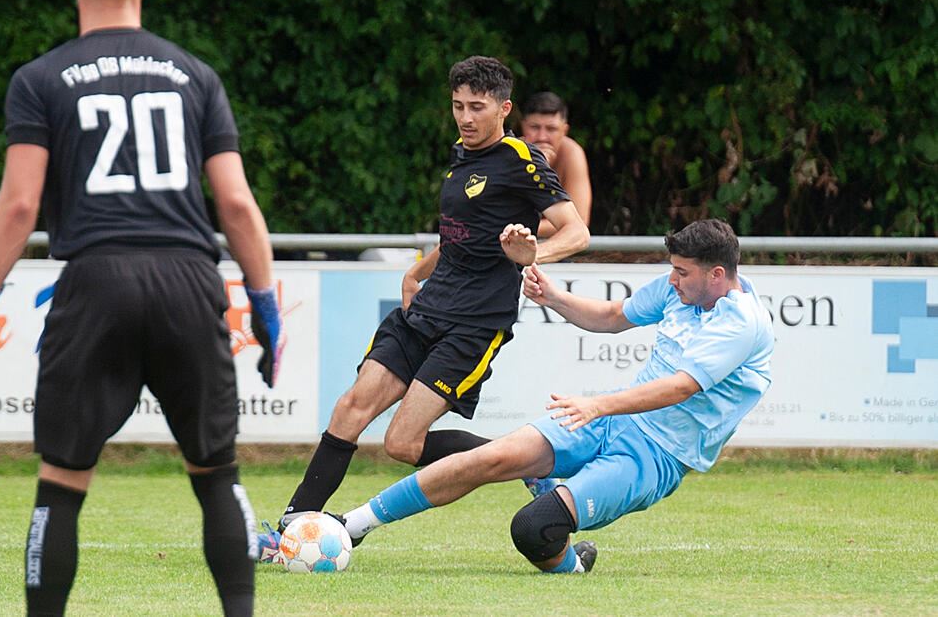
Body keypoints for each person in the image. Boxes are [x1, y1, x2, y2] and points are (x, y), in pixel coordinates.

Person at [0, 0, 278, 615]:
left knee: (61, 480)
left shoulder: (42, 77)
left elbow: (19, 205)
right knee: (216, 472)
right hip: (186, 278)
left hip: (93, 280)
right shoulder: (194, 75)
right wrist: (266, 305)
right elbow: (235, 204)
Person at [259, 56, 589, 558]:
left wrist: (532, 255)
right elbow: (461, 235)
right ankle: (289, 530)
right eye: (457, 106)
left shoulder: (521, 160)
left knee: (402, 445)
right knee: (350, 408)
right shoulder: (462, 155)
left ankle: (525, 462)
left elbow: (576, 231)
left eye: (476, 107)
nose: (465, 117)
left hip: (474, 324)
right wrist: (418, 271)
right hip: (426, 309)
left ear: (504, 108)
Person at [340, 219, 774, 575]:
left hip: (657, 455)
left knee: (532, 528)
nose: (672, 279)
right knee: (489, 458)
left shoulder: (742, 323)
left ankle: (573, 562)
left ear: (716, 275)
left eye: (682, 272)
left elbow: (681, 387)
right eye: (673, 269)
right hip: (611, 417)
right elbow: (611, 316)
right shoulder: (677, 288)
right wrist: (552, 297)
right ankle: (351, 525)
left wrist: (598, 403)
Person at [518, 92, 591, 228]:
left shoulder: (572, 153)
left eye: (551, 129)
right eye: (534, 127)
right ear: (523, 127)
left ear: (564, 130)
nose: (542, 137)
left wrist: (523, 228)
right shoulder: (511, 153)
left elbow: (580, 222)